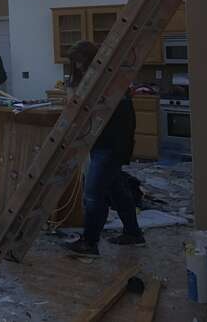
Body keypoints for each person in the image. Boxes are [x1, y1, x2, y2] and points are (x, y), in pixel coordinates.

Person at [64, 40, 144, 257]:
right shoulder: (102, 79)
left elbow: (83, 106)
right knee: (116, 189)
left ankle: (89, 243)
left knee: (93, 194)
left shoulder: (108, 82)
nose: (78, 67)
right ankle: (133, 233)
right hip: (104, 143)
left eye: (81, 62)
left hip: (109, 144)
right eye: (75, 63)